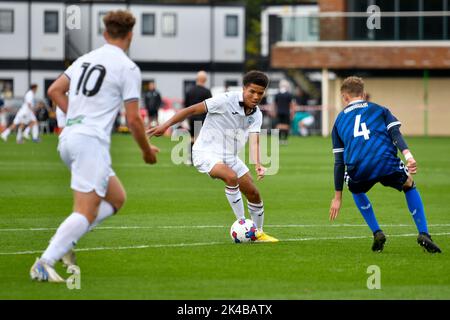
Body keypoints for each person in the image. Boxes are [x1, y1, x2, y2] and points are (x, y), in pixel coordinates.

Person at [30, 10, 160, 283]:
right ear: (130, 35)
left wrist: (75, 115)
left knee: (116, 198)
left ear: (105, 34)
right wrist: (147, 151)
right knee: (85, 211)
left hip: (69, 139)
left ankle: (67, 240)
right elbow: (135, 120)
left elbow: (54, 90)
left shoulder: (84, 59)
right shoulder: (127, 67)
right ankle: (45, 261)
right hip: (89, 142)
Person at [148, 70, 278, 243]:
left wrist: (258, 164)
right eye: (252, 92)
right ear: (244, 88)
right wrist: (165, 126)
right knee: (230, 177)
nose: (255, 96)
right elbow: (191, 109)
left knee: (253, 193)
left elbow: (254, 142)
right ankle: (243, 224)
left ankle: (259, 232)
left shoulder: (256, 114)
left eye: (260, 93)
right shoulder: (225, 100)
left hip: (229, 156)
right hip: (205, 152)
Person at [329, 76, 441, 253]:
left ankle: (377, 232)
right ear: (364, 94)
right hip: (386, 162)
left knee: (356, 188)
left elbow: (338, 162)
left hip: (359, 168)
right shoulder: (380, 110)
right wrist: (408, 156)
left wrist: (337, 197)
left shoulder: (339, 121)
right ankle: (424, 233)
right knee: (409, 184)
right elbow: (396, 134)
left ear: (344, 97)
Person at [183, 70, 212, 164]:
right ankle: (200, 159)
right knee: (201, 139)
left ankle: (190, 158)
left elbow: (186, 105)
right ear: (205, 80)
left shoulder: (189, 91)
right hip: (202, 118)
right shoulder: (207, 92)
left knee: (192, 137)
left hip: (191, 118)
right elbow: (211, 107)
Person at [274, 80, 295, 145]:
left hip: (279, 112)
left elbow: (275, 104)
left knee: (279, 126)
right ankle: (285, 139)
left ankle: (280, 139)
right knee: (286, 126)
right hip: (286, 112)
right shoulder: (289, 95)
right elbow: (291, 105)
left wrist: (274, 111)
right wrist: (292, 113)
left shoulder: (277, 94)